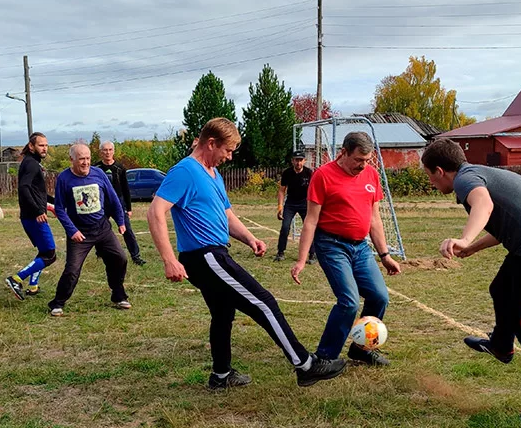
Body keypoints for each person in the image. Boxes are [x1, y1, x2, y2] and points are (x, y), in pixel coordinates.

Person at [147, 118, 346, 389]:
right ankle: (306, 365)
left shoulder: (213, 175)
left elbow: (227, 215)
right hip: (204, 257)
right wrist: (169, 260)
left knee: (223, 312)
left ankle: (221, 376)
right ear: (211, 143)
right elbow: (155, 211)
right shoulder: (184, 172)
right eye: (227, 151)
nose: (229, 157)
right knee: (264, 302)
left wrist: (250, 239)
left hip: (214, 253)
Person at [421, 139, 521, 423]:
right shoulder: (481, 173)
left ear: (440, 170)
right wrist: (472, 248)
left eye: (429, 176)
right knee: (501, 288)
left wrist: (464, 237)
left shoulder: (466, 181)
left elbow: (484, 204)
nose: (430, 182)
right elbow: (508, 223)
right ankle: (501, 346)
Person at [291, 132, 401, 366]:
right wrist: (301, 260)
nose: (363, 166)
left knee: (379, 297)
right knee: (349, 302)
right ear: (344, 152)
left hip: (361, 247)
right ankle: (325, 357)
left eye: (367, 160)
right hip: (331, 245)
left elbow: (375, 219)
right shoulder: (323, 176)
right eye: (358, 160)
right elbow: (310, 220)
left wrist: (385, 256)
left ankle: (361, 349)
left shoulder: (371, 175)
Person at [47, 144, 130, 317]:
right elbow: (60, 209)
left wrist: (120, 221)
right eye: (81, 159)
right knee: (72, 269)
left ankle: (118, 294)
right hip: (79, 233)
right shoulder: (64, 178)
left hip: (102, 227)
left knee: (120, 259)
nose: (85, 163)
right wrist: (72, 231)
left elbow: (113, 198)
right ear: (72, 160)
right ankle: (58, 302)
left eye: (88, 158)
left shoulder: (98, 174)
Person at [5, 132, 57, 300]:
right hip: (33, 217)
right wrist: (38, 211)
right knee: (50, 254)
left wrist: (56, 203)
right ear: (31, 146)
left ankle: (33, 286)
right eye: (41, 145)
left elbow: (38, 192)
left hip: (32, 216)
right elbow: (24, 188)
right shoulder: (32, 164)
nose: (44, 148)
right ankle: (16, 279)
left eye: (46, 145)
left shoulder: (31, 163)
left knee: (44, 252)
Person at [95, 141, 146, 265]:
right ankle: (100, 253)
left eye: (110, 150)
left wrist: (128, 208)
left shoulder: (120, 168)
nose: (107, 152)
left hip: (118, 202)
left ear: (113, 151)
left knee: (127, 230)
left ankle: (136, 256)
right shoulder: (96, 168)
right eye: (105, 150)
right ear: (101, 152)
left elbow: (125, 188)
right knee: (99, 229)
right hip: (102, 203)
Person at [274, 150, 315, 264]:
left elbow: (313, 190)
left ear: (304, 161)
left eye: (301, 160)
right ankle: (280, 252)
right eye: (296, 160)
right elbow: (282, 191)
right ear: (292, 161)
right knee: (285, 227)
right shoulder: (287, 173)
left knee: (309, 228)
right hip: (291, 203)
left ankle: (312, 254)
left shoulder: (309, 173)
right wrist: (280, 207)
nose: (298, 163)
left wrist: (313, 206)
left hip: (305, 204)